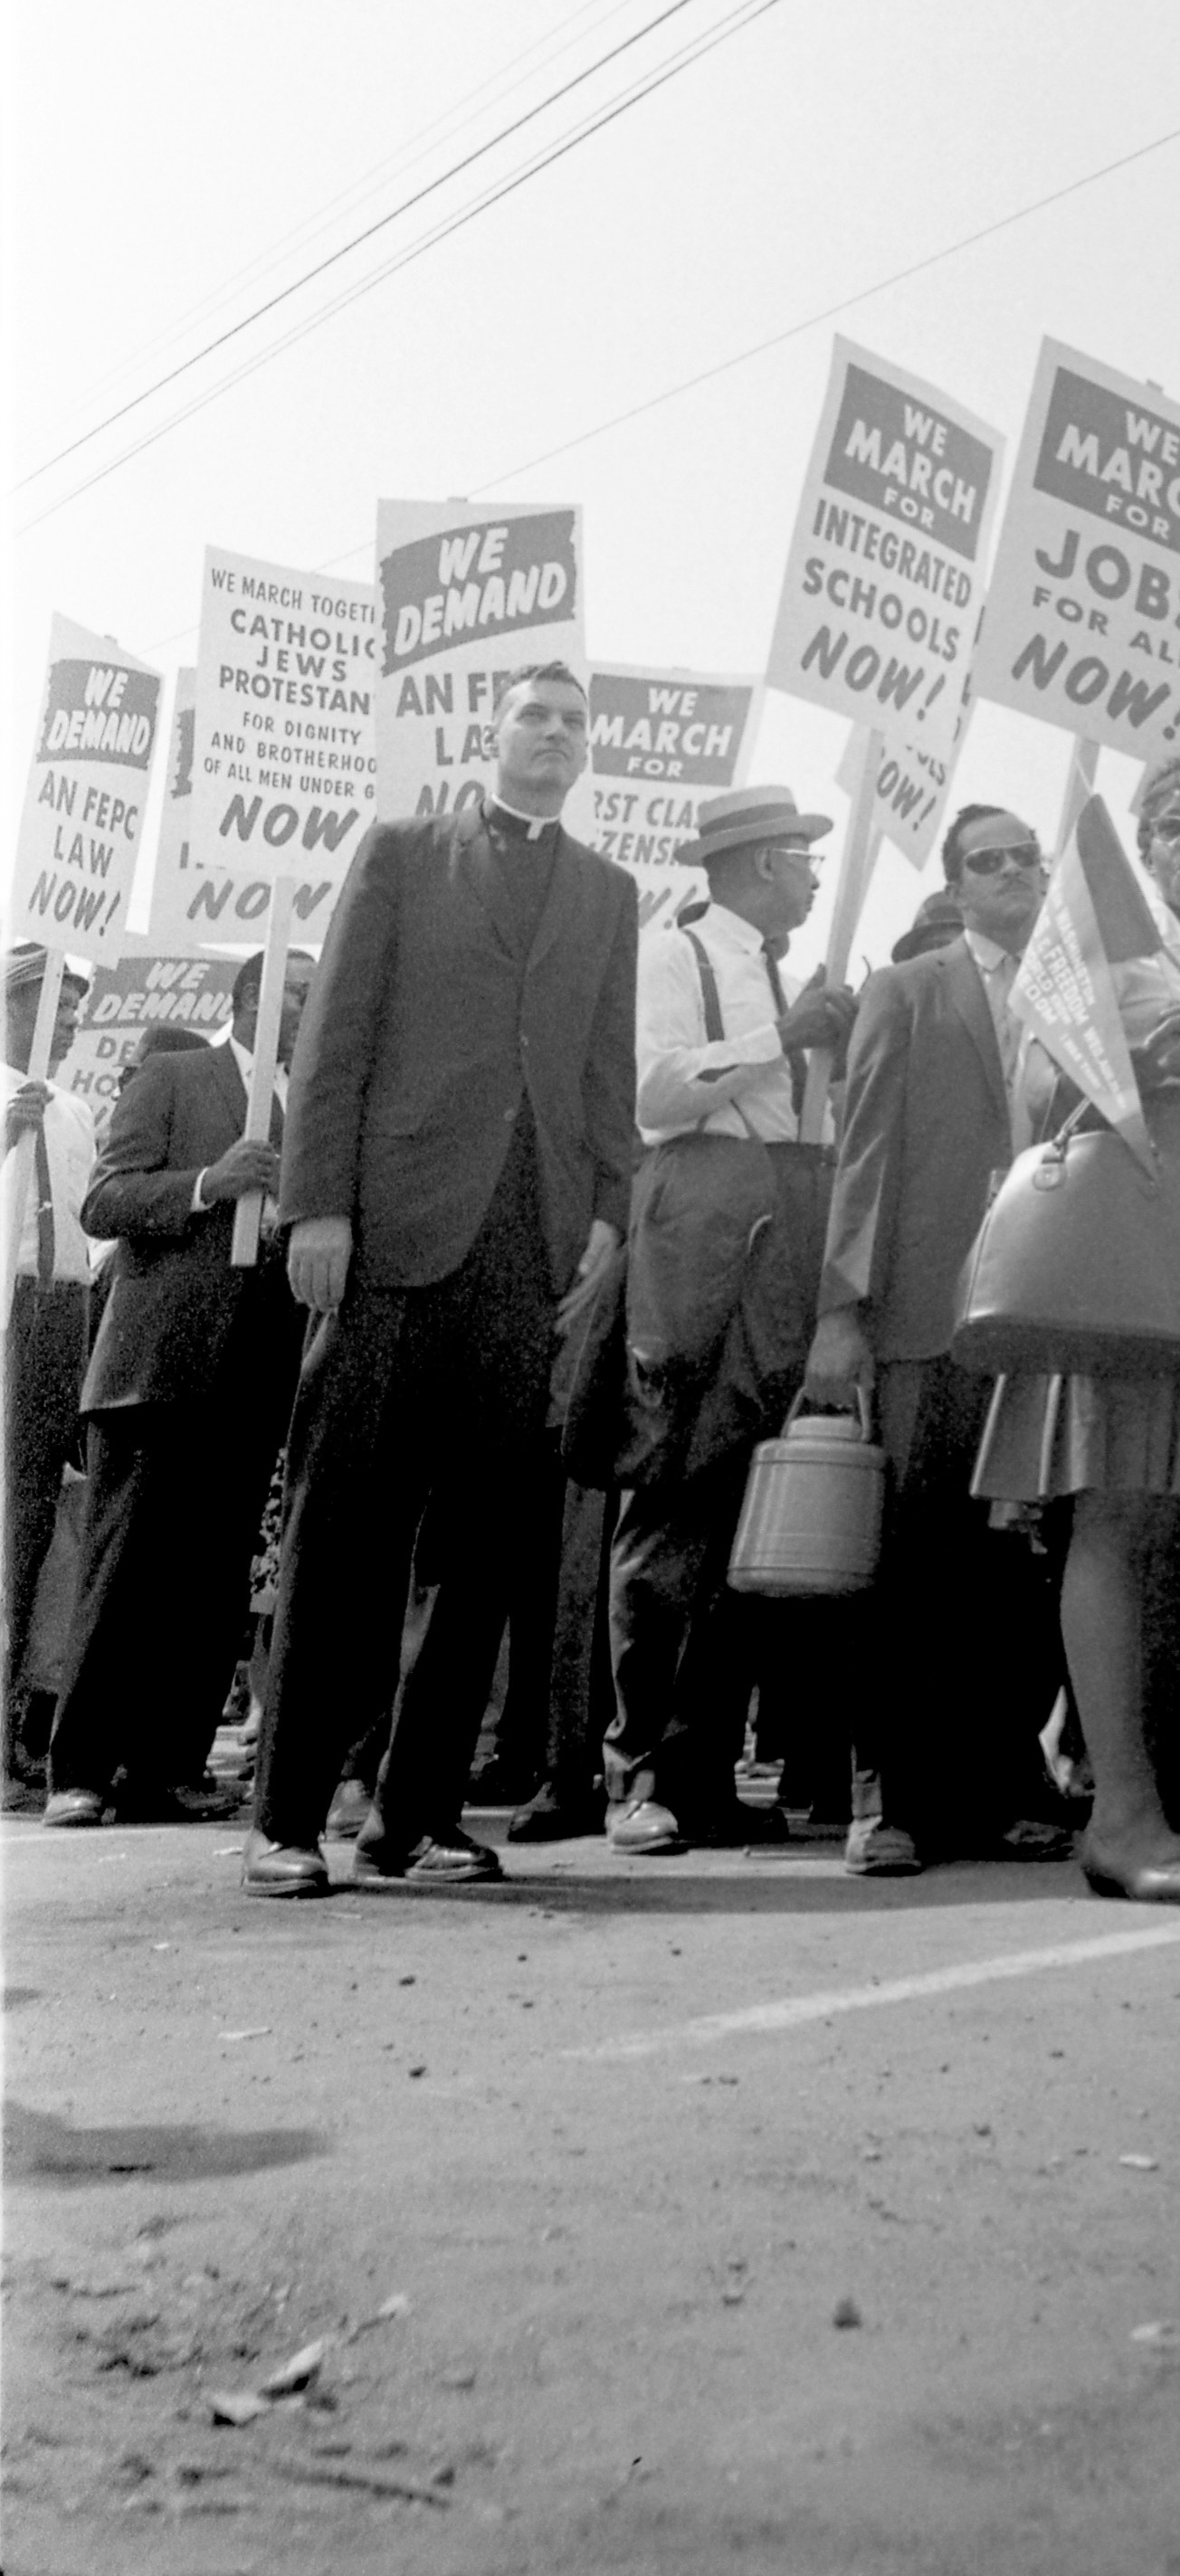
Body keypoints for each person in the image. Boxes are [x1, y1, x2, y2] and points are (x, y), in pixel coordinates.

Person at [244, 661, 641, 1898]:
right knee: (342, 1531)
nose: (556, 737)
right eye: (537, 716)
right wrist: (318, 1206)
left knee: (488, 1554)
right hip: (392, 1239)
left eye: (575, 724)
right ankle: (288, 1817)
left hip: (528, 1255)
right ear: (495, 732)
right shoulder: (406, 852)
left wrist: (609, 1218)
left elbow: (605, 1071)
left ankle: (412, 1815)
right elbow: (335, 1038)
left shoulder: (609, 890)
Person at [970, 753, 1180, 1906]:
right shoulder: (1101, 939)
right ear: (1142, 845)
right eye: (1165, 825)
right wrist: (1115, 1056)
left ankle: (1161, 1799)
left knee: (1177, 1526)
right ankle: (1117, 1812)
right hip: (1136, 1217)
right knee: (1116, 1507)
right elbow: (1030, 1080)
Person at [806, 799, 1075, 1877]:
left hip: (1043, 1316)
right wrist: (841, 1313)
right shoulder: (908, 991)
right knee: (914, 1563)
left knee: (1017, 1570)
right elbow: (864, 1154)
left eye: (1027, 856)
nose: (1013, 872)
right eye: (988, 862)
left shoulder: (1078, 1000)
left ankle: (1001, 1785)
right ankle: (889, 1801)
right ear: (957, 885)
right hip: (926, 1314)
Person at [601, 786, 858, 1856]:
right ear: (758, 863)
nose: (812, 877)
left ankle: (704, 1766)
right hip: (701, 1227)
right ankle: (642, 1776)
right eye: (802, 859)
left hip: (781, 1228)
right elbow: (654, 1096)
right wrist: (778, 1037)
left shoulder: (788, 975)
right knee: (674, 1496)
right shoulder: (676, 954)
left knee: (752, 1502)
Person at [45, 950, 310, 1821]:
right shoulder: (174, 1075)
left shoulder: (309, 1102)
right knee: (127, 1569)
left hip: (253, 1370)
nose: (315, 1010)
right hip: (157, 1368)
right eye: (300, 994)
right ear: (253, 999)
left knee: (209, 1581)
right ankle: (80, 1770)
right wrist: (209, 1184)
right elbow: (105, 1199)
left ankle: (168, 1766)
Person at [3, 948, 98, 1801]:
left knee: (42, 1519)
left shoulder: (76, 1110)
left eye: (73, 1010)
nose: (67, 1025)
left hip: (63, 1313)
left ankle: (25, 1732)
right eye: (53, 1009)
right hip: (6, 1316)